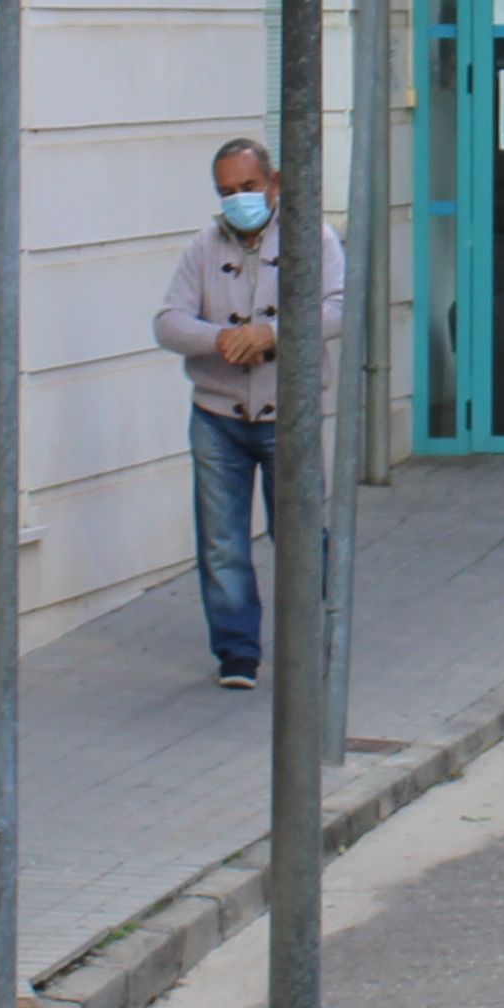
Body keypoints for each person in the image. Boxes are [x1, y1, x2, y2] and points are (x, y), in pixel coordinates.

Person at [151, 135, 340, 692]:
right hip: (218, 414)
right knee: (222, 540)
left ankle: (316, 637)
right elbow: (168, 321)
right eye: (227, 191)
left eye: (249, 187)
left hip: (290, 414)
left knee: (303, 532)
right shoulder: (204, 248)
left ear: (273, 183)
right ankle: (237, 652)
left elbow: (339, 307)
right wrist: (225, 338)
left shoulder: (313, 239)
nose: (240, 200)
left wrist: (273, 335)